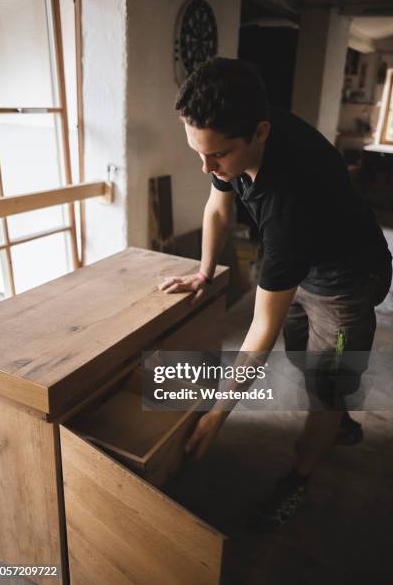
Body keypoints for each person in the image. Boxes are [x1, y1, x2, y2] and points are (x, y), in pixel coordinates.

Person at [159, 57, 392, 528]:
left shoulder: (290, 203)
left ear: (260, 133)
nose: (206, 166)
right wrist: (204, 273)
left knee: (325, 384)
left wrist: (218, 414)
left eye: (217, 156)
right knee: (306, 357)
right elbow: (218, 208)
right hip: (299, 267)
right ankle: (339, 416)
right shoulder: (230, 129)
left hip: (348, 281)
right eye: (198, 152)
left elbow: (258, 332)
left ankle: (301, 475)